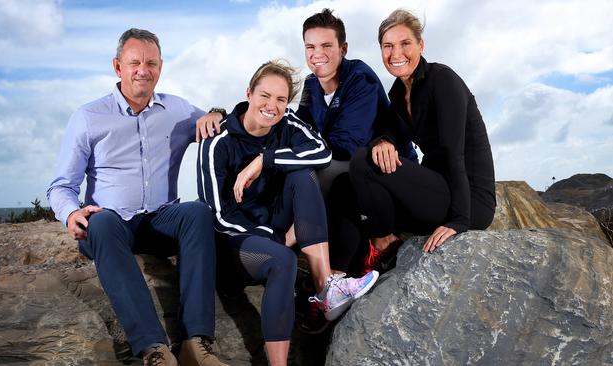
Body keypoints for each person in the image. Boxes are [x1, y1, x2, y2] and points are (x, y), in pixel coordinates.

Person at [47, 28, 227, 366]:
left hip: (161, 220)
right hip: (111, 226)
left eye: (151, 63)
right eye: (134, 63)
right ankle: (154, 349)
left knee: (198, 213)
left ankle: (195, 345)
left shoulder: (177, 109)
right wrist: (71, 213)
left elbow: (216, 121)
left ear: (160, 67)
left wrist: (216, 113)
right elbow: (61, 185)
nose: (143, 70)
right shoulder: (88, 117)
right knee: (100, 223)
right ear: (118, 67)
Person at [197, 60, 378, 365]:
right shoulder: (218, 141)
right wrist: (277, 237)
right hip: (235, 243)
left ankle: (324, 286)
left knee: (302, 175)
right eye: (265, 96)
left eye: (281, 99)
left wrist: (265, 160)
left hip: (275, 228)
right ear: (249, 93)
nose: (272, 106)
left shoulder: (287, 124)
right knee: (283, 261)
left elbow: (322, 153)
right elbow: (217, 217)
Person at [348, 9, 496, 255]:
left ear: (421, 45)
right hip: (437, 191)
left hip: (470, 202)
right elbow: (389, 128)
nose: (396, 54)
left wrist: (459, 221)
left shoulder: (442, 80)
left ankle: (384, 242)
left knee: (364, 162)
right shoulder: (398, 92)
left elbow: (453, 153)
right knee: (355, 187)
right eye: (388, 46)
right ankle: (377, 253)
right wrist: (384, 140)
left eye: (405, 43)